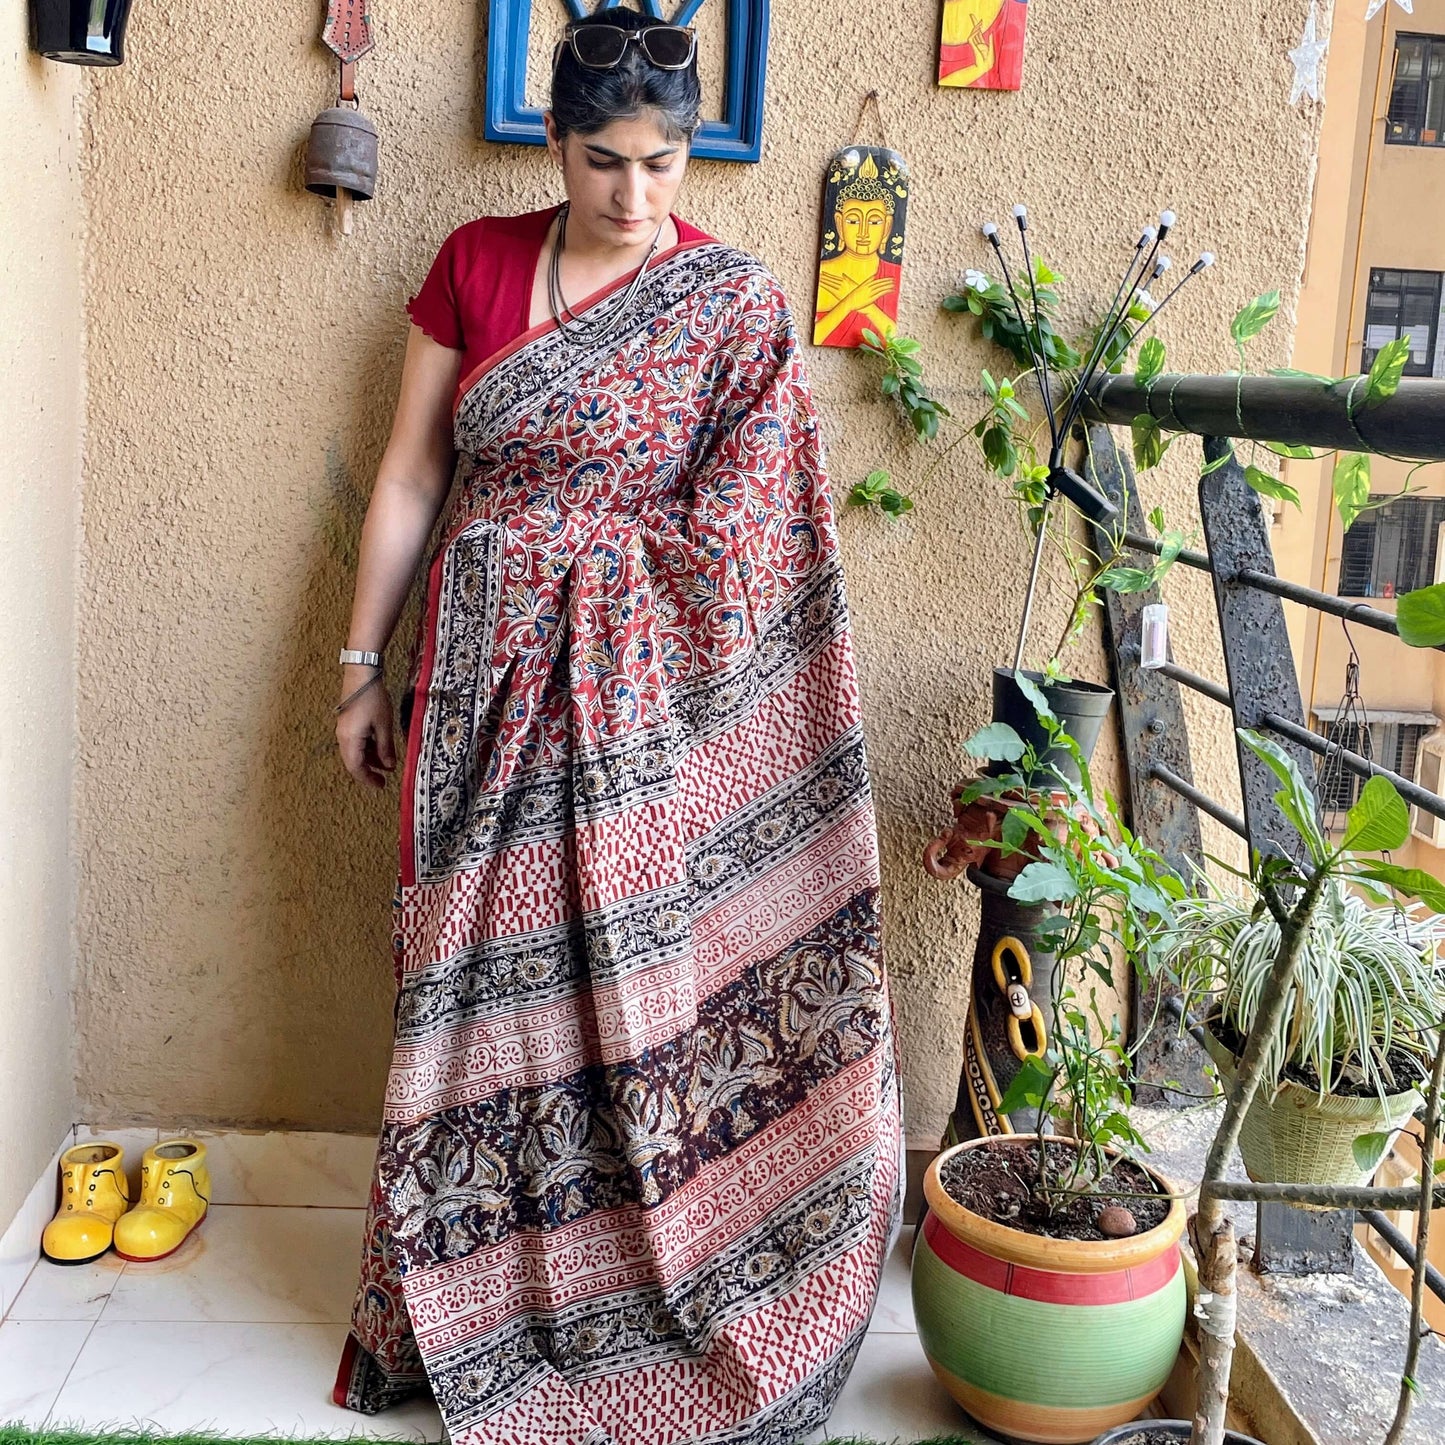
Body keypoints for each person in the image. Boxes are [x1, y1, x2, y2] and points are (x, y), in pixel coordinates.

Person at [330, 10, 903, 1444]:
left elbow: (762, 545)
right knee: (453, 997)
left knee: (622, 1006)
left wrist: (597, 583)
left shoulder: (732, 303)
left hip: (639, 722)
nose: (635, 195)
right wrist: (360, 663)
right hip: (473, 692)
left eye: (663, 161)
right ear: (551, 140)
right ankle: (452, 1296)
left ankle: (619, 1289)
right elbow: (409, 476)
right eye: (603, 160)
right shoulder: (471, 260)